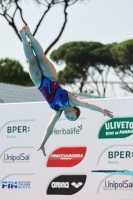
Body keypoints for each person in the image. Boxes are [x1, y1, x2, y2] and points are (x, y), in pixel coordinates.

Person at [18, 26, 113, 156]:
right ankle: (29, 34)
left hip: (40, 84)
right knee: (41, 58)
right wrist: (102, 110)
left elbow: (50, 128)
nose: (69, 118)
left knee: (32, 62)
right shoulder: (72, 100)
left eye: (69, 119)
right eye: (72, 118)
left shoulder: (57, 112)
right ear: (74, 110)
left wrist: (43, 142)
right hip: (51, 79)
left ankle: (23, 38)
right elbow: (87, 105)